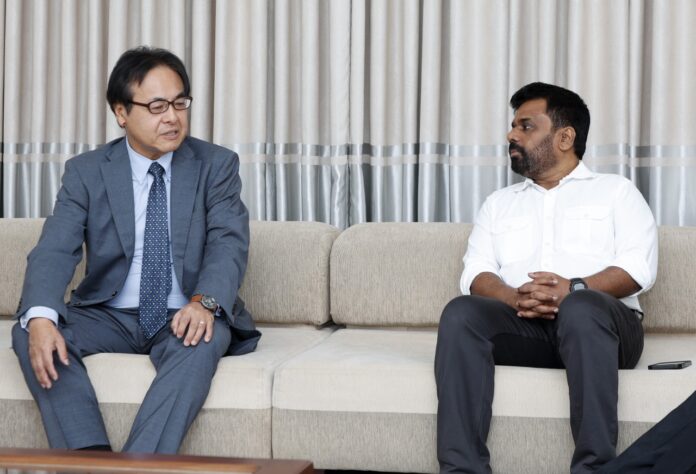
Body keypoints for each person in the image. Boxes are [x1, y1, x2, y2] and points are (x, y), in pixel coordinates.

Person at [11, 46, 260, 453]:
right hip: (108, 314)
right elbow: (55, 248)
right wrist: (40, 317)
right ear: (121, 112)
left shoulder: (216, 165)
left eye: (180, 103)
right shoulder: (87, 171)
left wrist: (204, 302)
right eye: (158, 106)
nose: (173, 117)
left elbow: (227, 243)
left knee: (202, 337)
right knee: (32, 328)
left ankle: (138, 467)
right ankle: (89, 458)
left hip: (184, 312)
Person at [434, 82, 658, 474]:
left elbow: (639, 267)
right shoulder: (499, 204)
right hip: (527, 328)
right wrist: (513, 297)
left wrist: (573, 289)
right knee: (461, 313)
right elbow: (475, 272)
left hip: (605, 331)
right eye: (513, 126)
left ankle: (594, 469)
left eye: (525, 126)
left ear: (565, 137)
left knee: (582, 307)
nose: (511, 135)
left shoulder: (616, 192)